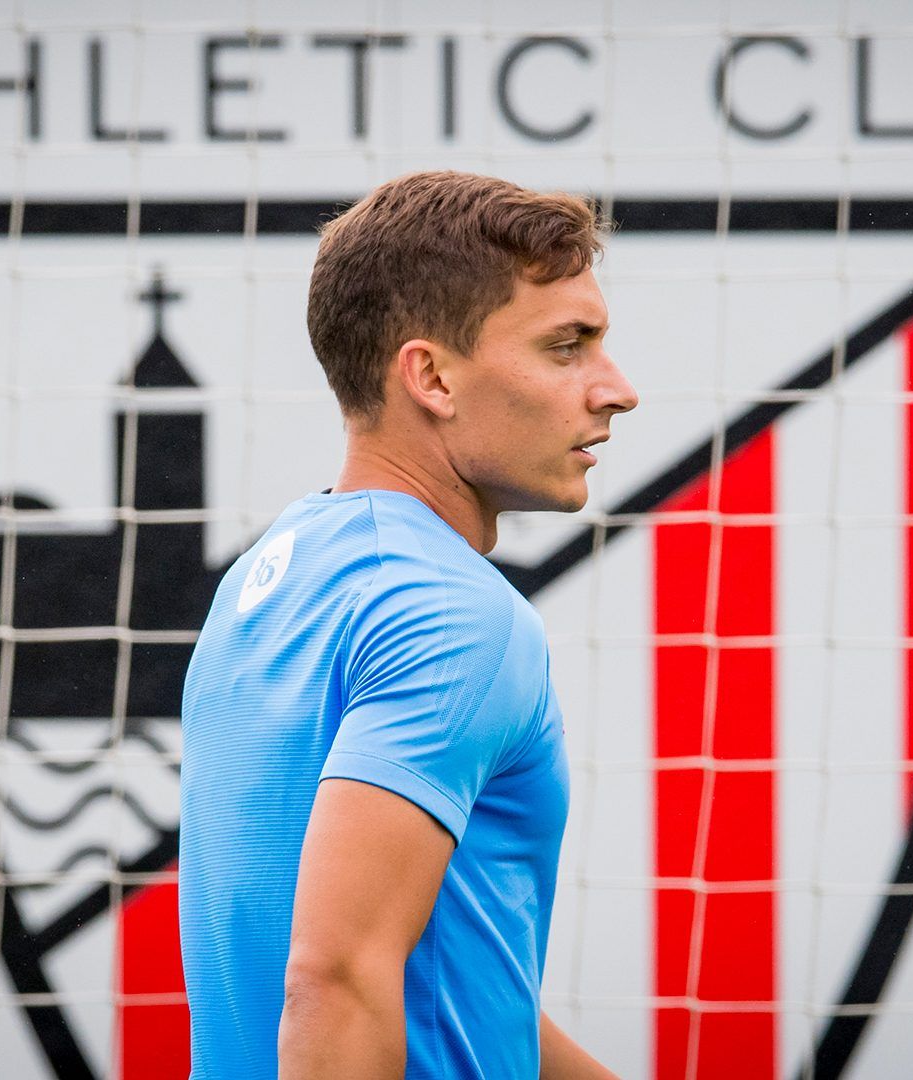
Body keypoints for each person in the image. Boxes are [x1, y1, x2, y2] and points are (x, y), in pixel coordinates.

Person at [178, 170, 637, 1079]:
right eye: (566, 346)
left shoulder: (268, 576)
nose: (616, 389)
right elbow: (338, 979)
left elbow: (456, 987)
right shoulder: (456, 616)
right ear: (429, 376)